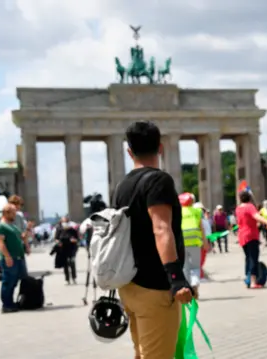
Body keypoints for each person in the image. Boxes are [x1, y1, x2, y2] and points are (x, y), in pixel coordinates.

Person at [114, 121, 193, 359]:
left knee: (143, 353)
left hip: (130, 285)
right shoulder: (159, 181)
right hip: (155, 287)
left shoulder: (122, 186)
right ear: (160, 148)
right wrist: (176, 279)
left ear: (129, 152)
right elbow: (161, 229)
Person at [236, 191, 267, 289]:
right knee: (253, 258)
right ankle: (253, 282)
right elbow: (257, 216)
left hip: (242, 236)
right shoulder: (249, 206)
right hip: (251, 235)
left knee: (248, 258)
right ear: (249, 198)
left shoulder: (238, 208)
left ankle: (248, 278)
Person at [0, 204, 26, 313]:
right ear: (6, 213)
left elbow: (21, 237)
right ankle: (6, 305)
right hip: (10, 258)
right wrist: (7, 256)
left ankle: (11, 302)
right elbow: (0, 243)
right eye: (13, 213)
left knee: (14, 281)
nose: (15, 215)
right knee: (8, 282)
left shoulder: (12, 226)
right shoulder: (1, 227)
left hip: (18, 257)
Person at [0, 195, 30, 276]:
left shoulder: (19, 217)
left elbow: (22, 233)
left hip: (18, 252)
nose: (19, 208)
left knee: (24, 277)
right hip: (6, 251)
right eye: (19, 205)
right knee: (10, 279)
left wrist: (27, 246)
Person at [54, 216, 79, 285]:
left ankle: (74, 278)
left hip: (71, 249)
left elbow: (77, 238)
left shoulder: (72, 230)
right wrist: (58, 242)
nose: (64, 223)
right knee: (65, 265)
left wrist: (74, 240)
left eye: (65, 221)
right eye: (63, 221)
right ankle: (67, 279)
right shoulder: (59, 229)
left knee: (72, 263)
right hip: (63, 249)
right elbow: (56, 238)